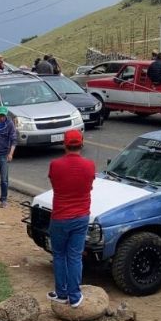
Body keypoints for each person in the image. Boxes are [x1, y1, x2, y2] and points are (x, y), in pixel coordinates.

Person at [47, 129, 95, 308]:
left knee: (59, 255)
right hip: (81, 216)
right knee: (75, 256)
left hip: (60, 216)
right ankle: (75, 296)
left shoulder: (55, 165)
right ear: (81, 144)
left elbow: (54, 183)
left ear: (64, 144)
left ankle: (61, 293)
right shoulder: (89, 165)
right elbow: (89, 185)